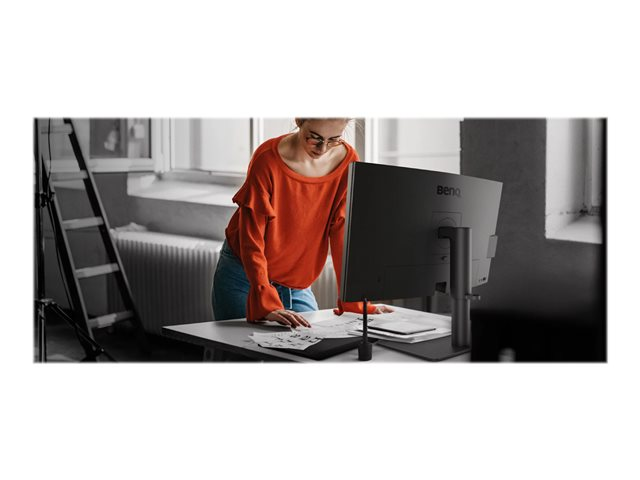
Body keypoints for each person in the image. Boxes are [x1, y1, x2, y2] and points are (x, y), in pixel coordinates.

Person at [211, 118, 393, 327]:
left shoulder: (348, 161)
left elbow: (342, 233)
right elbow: (252, 236)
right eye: (314, 138)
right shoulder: (267, 159)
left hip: (295, 284)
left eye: (334, 139)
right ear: (299, 120)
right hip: (245, 276)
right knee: (239, 347)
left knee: (311, 344)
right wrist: (264, 298)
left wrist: (353, 300)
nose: (322, 149)